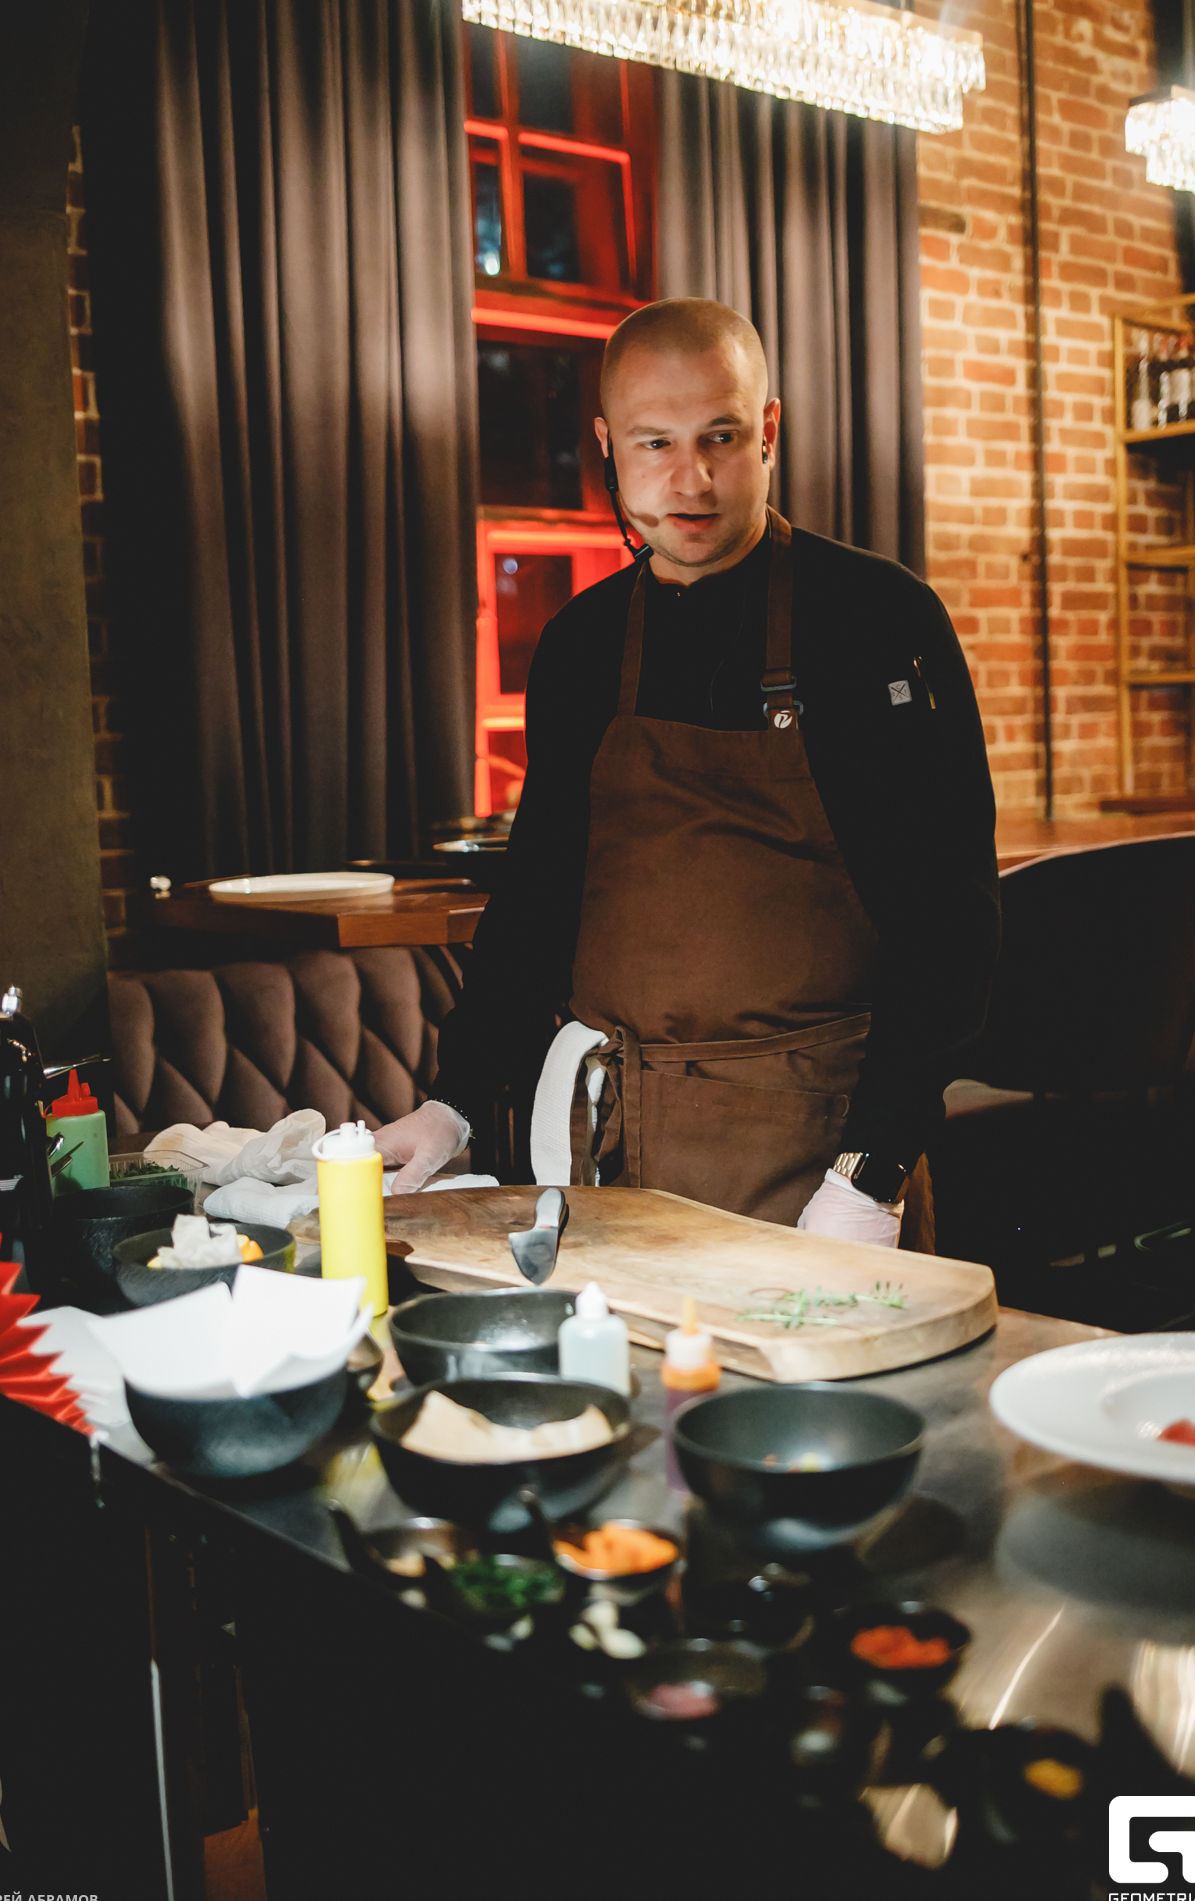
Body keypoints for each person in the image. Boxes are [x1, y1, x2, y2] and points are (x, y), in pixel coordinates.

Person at [374, 298, 999, 1250]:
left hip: (818, 1153)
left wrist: (869, 1178)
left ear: (769, 430)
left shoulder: (877, 620)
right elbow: (538, 901)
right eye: (655, 443)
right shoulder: (580, 645)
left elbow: (951, 930)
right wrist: (452, 1102)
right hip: (611, 1157)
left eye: (722, 437)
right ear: (608, 446)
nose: (692, 479)